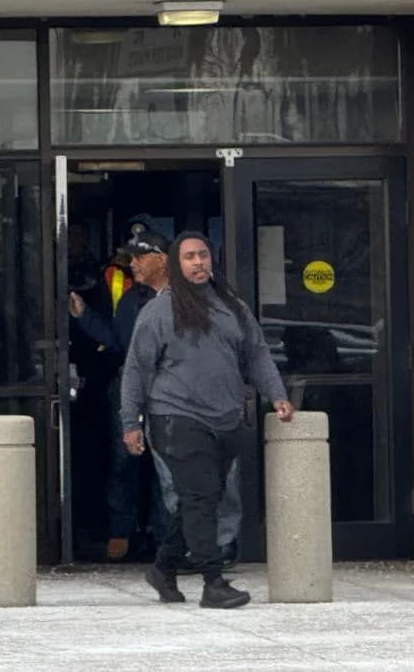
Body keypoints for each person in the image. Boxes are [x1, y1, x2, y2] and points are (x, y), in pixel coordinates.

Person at [120, 232, 295, 609]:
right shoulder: (159, 311)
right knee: (200, 498)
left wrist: (277, 394)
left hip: (226, 418)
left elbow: (257, 354)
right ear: (175, 264)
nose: (198, 263)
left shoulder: (231, 307)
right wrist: (130, 423)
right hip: (176, 416)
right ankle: (213, 581)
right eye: (189, 257)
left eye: (203, 255)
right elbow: (136, 370)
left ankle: (163, 568)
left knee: (201, 499)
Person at [68, 230, 168, 561]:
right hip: (130, 385)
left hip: (171, 389)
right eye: (130, 258)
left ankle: (163, 536)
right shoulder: (130, 299)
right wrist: (84, 315)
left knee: (165, 463)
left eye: (139, 258)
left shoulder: (185, 298)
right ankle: (121, 531)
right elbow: (115, 340)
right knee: (124, 459)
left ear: (161, 259)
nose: (132, 264)